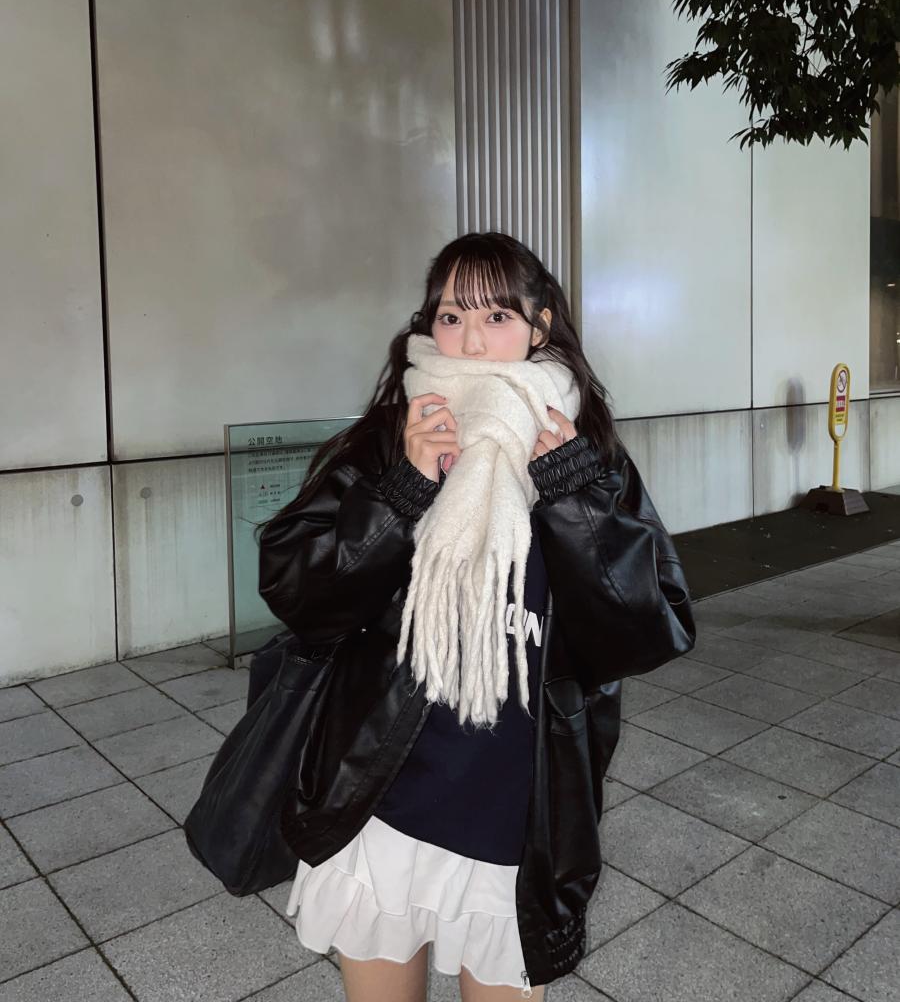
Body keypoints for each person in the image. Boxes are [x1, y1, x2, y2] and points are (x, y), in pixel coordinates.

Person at [258, 231, 694, 1001]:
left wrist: (573, 498)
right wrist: (401, 493)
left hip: (514, 817)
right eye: (452, 316)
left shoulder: (582, 452)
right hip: (379, 798)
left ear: (540, 325)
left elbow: (648, 630)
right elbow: (297, 590)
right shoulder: (392, 437)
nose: (470, 339)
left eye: (497, 315)